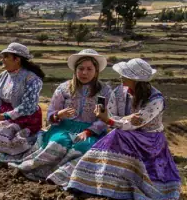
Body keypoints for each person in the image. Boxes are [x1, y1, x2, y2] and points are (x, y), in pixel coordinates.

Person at [51, 58, 181, 200]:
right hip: (124, 133)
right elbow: (114, 115)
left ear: (135, 80)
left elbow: (133, 123)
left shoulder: (155, 100)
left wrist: (113, 121)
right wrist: (121, 119)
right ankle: (90, 180)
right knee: (116, 135)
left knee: (116, 135)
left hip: (149, 139)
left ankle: (98, 181)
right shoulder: (118, 91)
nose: (121, 77)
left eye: (125, 75)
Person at [11, 49, 112, 181]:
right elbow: (52, 112)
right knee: (59, 142)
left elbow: (104, 118)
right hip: (63, 127)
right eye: (81, 68)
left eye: (89, 69)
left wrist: (88, 131)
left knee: (83, 146)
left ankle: (62, 176)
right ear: (75, 70)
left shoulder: (104, 91)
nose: (84, 73)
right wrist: (59, 114)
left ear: (96, 71)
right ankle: (39, 170)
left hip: (91, 131)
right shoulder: (64, 88)